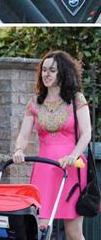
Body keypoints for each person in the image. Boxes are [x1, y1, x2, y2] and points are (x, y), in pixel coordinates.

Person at [13, 50, 92, 240]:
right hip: (44, 168)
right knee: (42, 228)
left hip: (70, 167)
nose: (46, 74)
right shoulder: (35, 103)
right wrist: (18, 150)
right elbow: (24, 135)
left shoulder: (76, 99)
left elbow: (87, 133)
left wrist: (73, 156)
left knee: (73, 232)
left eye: (52, 70)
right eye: (44, 70)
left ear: (62, 73)